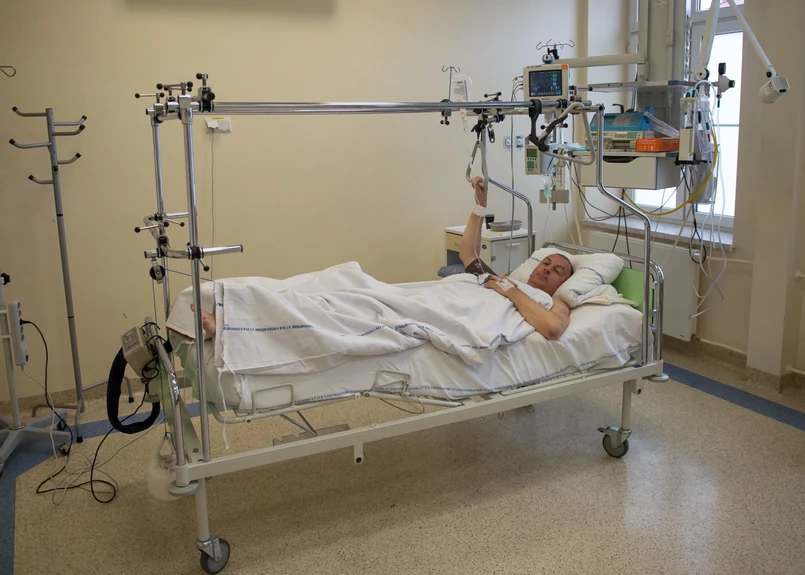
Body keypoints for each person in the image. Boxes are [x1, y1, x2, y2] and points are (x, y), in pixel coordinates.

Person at [459, 176, 573, 340]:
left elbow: (553, 327)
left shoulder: (556, 303)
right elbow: (468, 254)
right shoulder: (501, 281)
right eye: (545, 263)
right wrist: (480, 206)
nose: (548, 269)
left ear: (563, 283)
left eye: (558, 270)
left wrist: (510, 291)